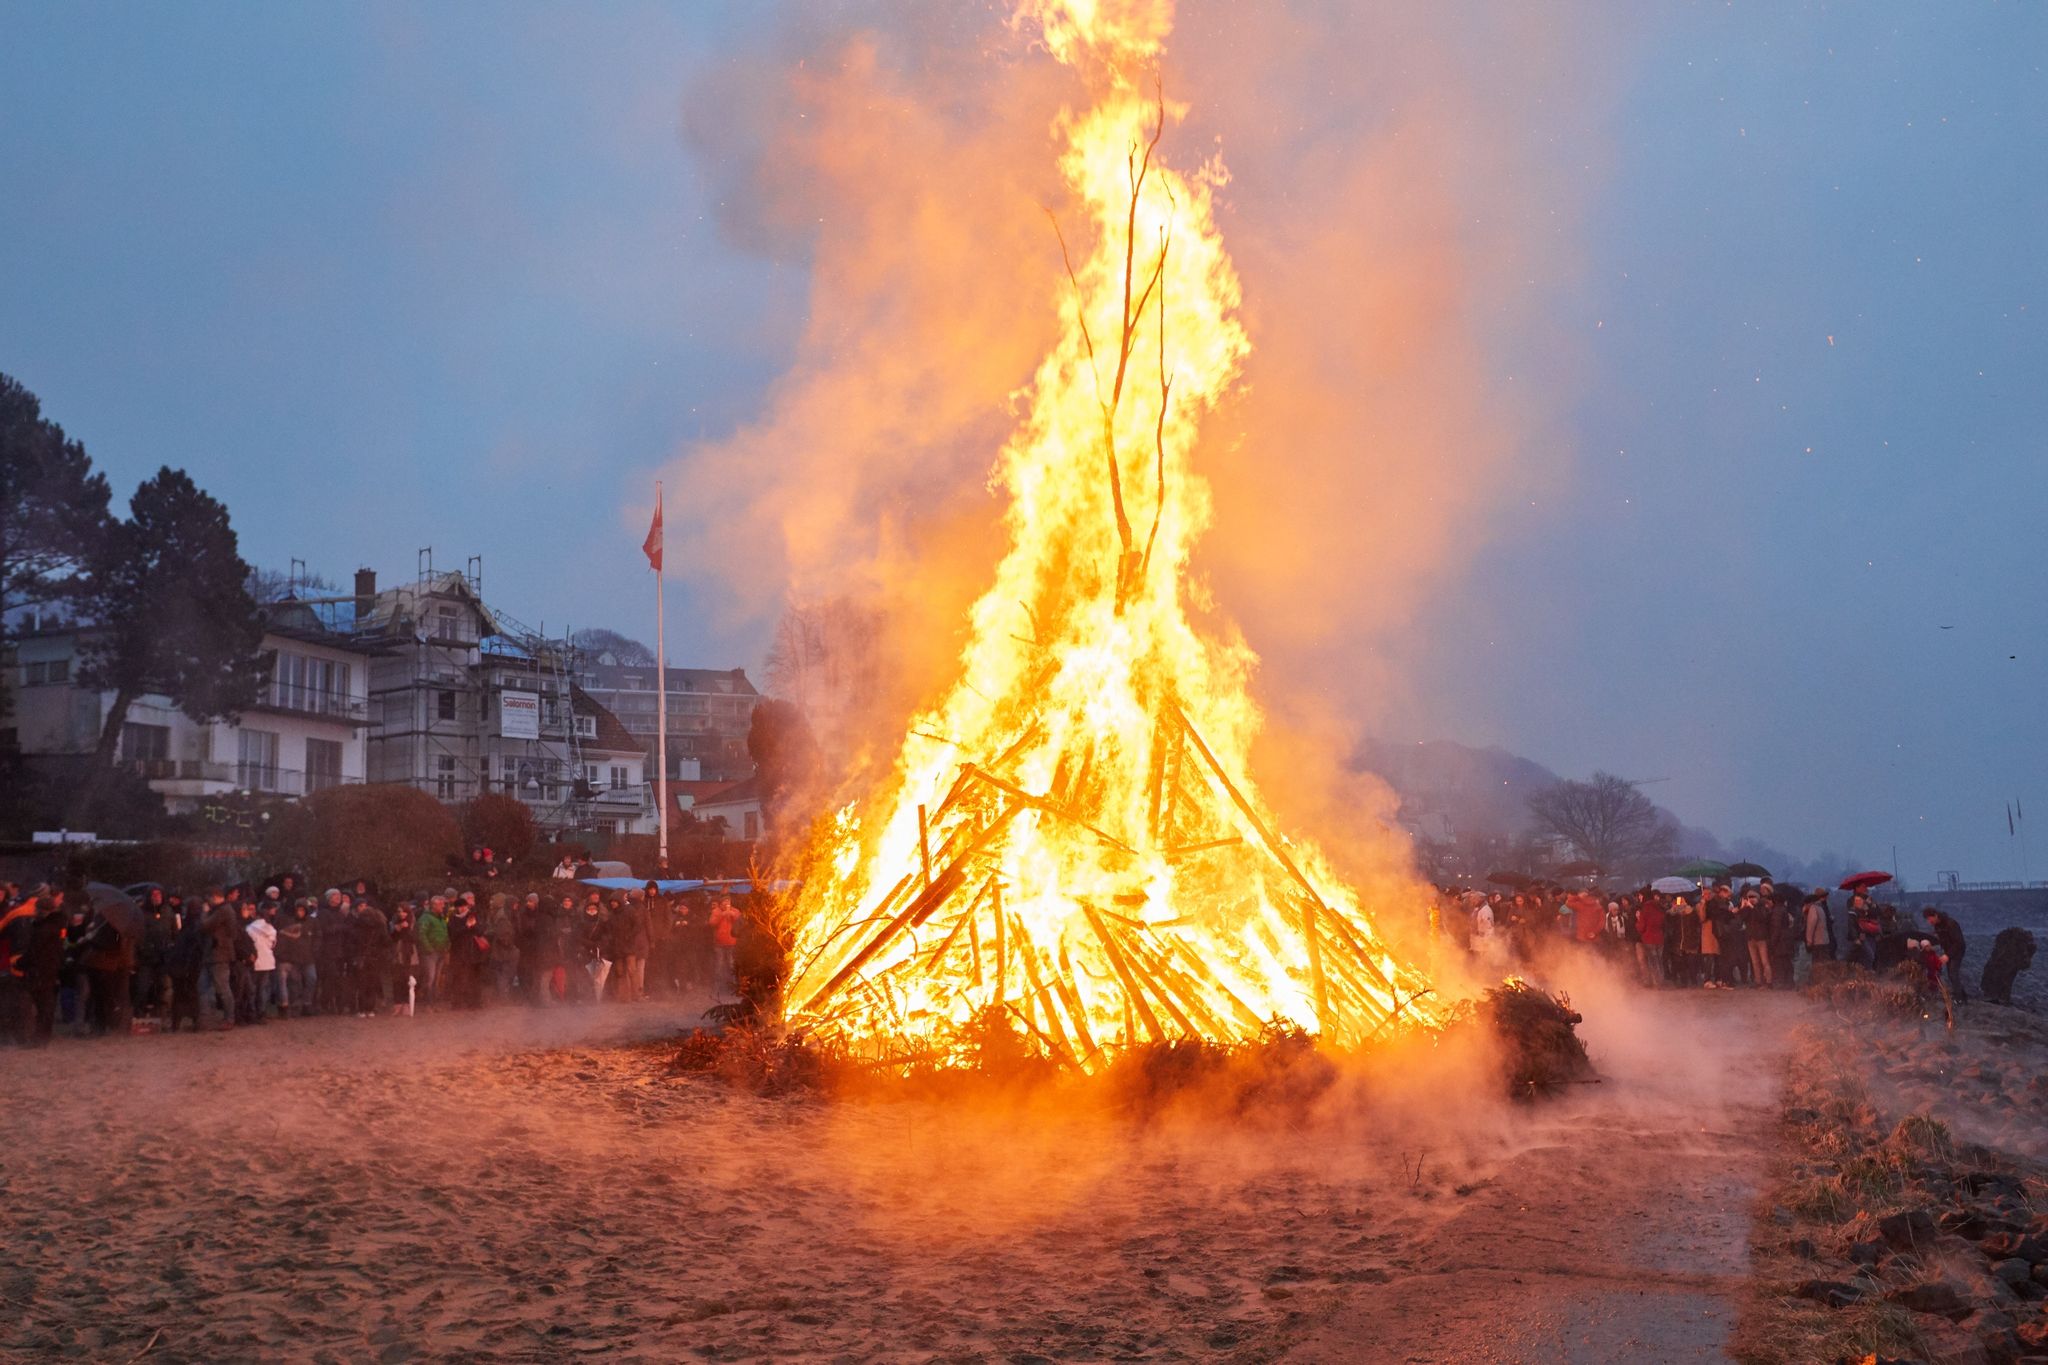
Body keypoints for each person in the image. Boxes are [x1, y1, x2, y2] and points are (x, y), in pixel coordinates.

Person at [200, 888, 240, 1029]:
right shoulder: (224, 910)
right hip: (214, 954)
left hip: (219, 954)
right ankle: (206, 1018)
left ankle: (229, 1018)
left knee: (222, 989)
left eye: (209, 899)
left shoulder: (222, 911)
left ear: (215, 897)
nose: (208, 902)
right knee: (205, 987)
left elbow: (205, 925)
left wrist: (204, 912)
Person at [1920, 908, 1967, 1004]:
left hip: (1957, 951)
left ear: (1935, 915)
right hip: (1949, 951)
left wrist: (1947, 955)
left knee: (1953, 973)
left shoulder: (1951, 924)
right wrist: (1934, 948)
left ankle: (1960, 999)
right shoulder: (1937, 926)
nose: (1929, 922)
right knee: (1951, 974)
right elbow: (1942, 940)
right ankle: (1962, 995)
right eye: (1928, 920)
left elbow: (1959, 942)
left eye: (1930, 919)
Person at [275, 903, 314, 1016]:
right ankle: (291, 1006)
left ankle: (293, 1005)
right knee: (293, 983)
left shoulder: (309, 922)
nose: (300, 912)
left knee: (303, 980)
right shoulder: (290, 923)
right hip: (292, 957)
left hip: (301, 957)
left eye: (302, 910)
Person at [416, 895, 451, 1007]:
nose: (443, 906)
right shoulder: (425, 918)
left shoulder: (441, 917)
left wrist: (447, 946)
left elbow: (445, 933)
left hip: (441, 951)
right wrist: (429, 949)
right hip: (431, 953)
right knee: (430, 978)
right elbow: (421, 934)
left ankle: (433, 1003)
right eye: (441, 904)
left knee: (436, 978)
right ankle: (427, 1003)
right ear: (434, 905)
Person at [247, 902, 280, 1019]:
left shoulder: (249, 928)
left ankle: (252, 1011)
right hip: (267, 961)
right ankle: (262, 1011)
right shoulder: (272, 929)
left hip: (254, 961)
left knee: (252, 988)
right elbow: (273, 945)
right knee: (263, 988)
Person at [710, 895, 740, 999]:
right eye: (724, 901)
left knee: (731, 966)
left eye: (728, 901)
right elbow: (712, 923)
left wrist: (730, 913)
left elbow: (738, 919)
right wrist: (722, 915)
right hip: (719, 944)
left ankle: (734, 989)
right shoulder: (716, 911)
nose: (727, 903)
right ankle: (717, 989)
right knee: (719, 966)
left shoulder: (735, 911)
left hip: (732, 943)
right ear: (721, 903)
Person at [1634, 895, 1666, 988]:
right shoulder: (1660, 911)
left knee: (1653, 961)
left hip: (1649, 939)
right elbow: (1664, 925)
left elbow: (1641, 927)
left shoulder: (1645, 911)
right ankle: (1661, 980)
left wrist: (1638, 920)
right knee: (1659, 961)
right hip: (1660, 939)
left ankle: (1656, 983)